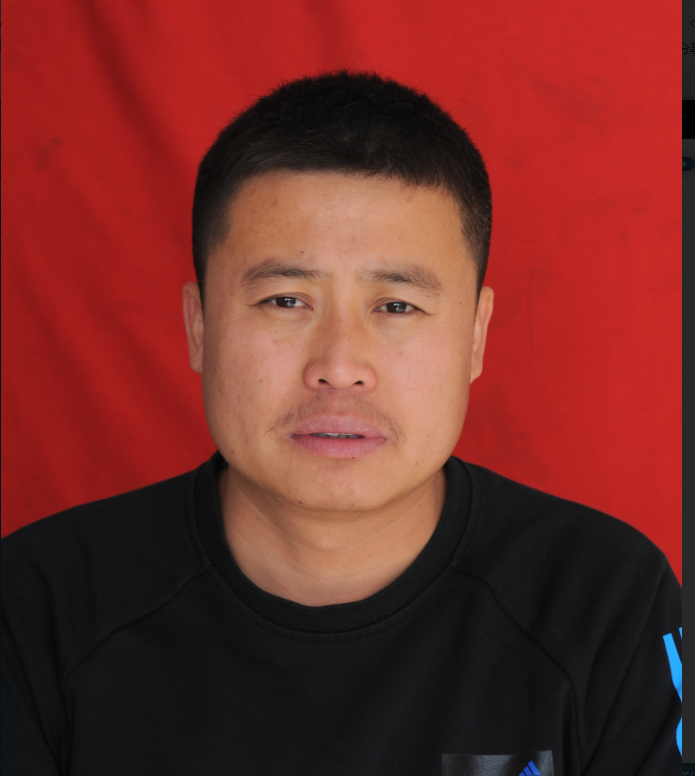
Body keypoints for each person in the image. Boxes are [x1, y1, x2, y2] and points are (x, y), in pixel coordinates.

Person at [1, 71, 681, 776]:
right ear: (199, 327)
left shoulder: (605, 602)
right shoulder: (35, 608)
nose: (339, 366)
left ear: (475, 336)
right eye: (285, 300)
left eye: (396, 307)